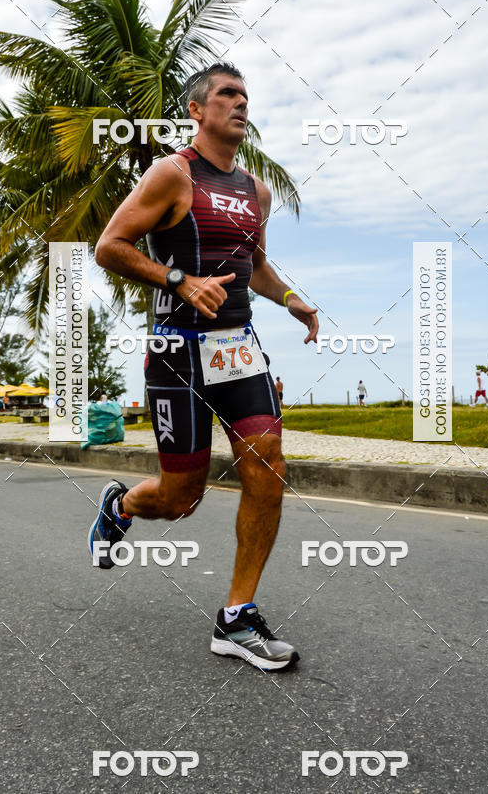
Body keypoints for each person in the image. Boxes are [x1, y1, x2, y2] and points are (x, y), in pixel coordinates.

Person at [90, 62, 319, 671]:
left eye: (245, 96)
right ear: (197, 109)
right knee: (180, 497)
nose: (240, 104)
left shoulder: (256, 190)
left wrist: (292, 300)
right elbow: (109, 245)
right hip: (176, 353)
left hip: (238, 349)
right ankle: (123, 506)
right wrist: (179, 279)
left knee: (268, 471)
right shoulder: (172, 174)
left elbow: (256, 266)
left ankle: (237, 617)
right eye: (227, 95)